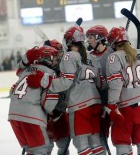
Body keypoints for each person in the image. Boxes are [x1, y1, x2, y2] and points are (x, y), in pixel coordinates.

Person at [27, 26, 105, 155]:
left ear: (68, 41)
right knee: (95, 143)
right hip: (95, 104)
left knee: (82, 145)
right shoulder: (91, 56)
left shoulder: (69, 56)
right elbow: (100, 83)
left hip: (80, 106)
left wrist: (44, 80)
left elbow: (65, 83)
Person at [105, 27, 140, 155]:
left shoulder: (114, 57)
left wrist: (112, 104)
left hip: (127, 108)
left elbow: (116, 83)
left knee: (122, 142)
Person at [8, 45, 60, 155]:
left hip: (13, 115)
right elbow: (48, 104)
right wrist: (54, 113)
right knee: (43, 149)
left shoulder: (26, 70)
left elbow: (12, 90)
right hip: (31, 117)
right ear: (47, 59)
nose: (56, 62)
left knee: (32, 150)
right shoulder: (50, 74)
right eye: (54, 59)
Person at [86, 25, 114, 153]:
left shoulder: (112, 53)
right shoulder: (88, 57)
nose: (88, 40)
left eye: (91, 37)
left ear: (100, 38)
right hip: (97, 104)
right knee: (100, 137)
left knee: (121, 137)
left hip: (114, 103)